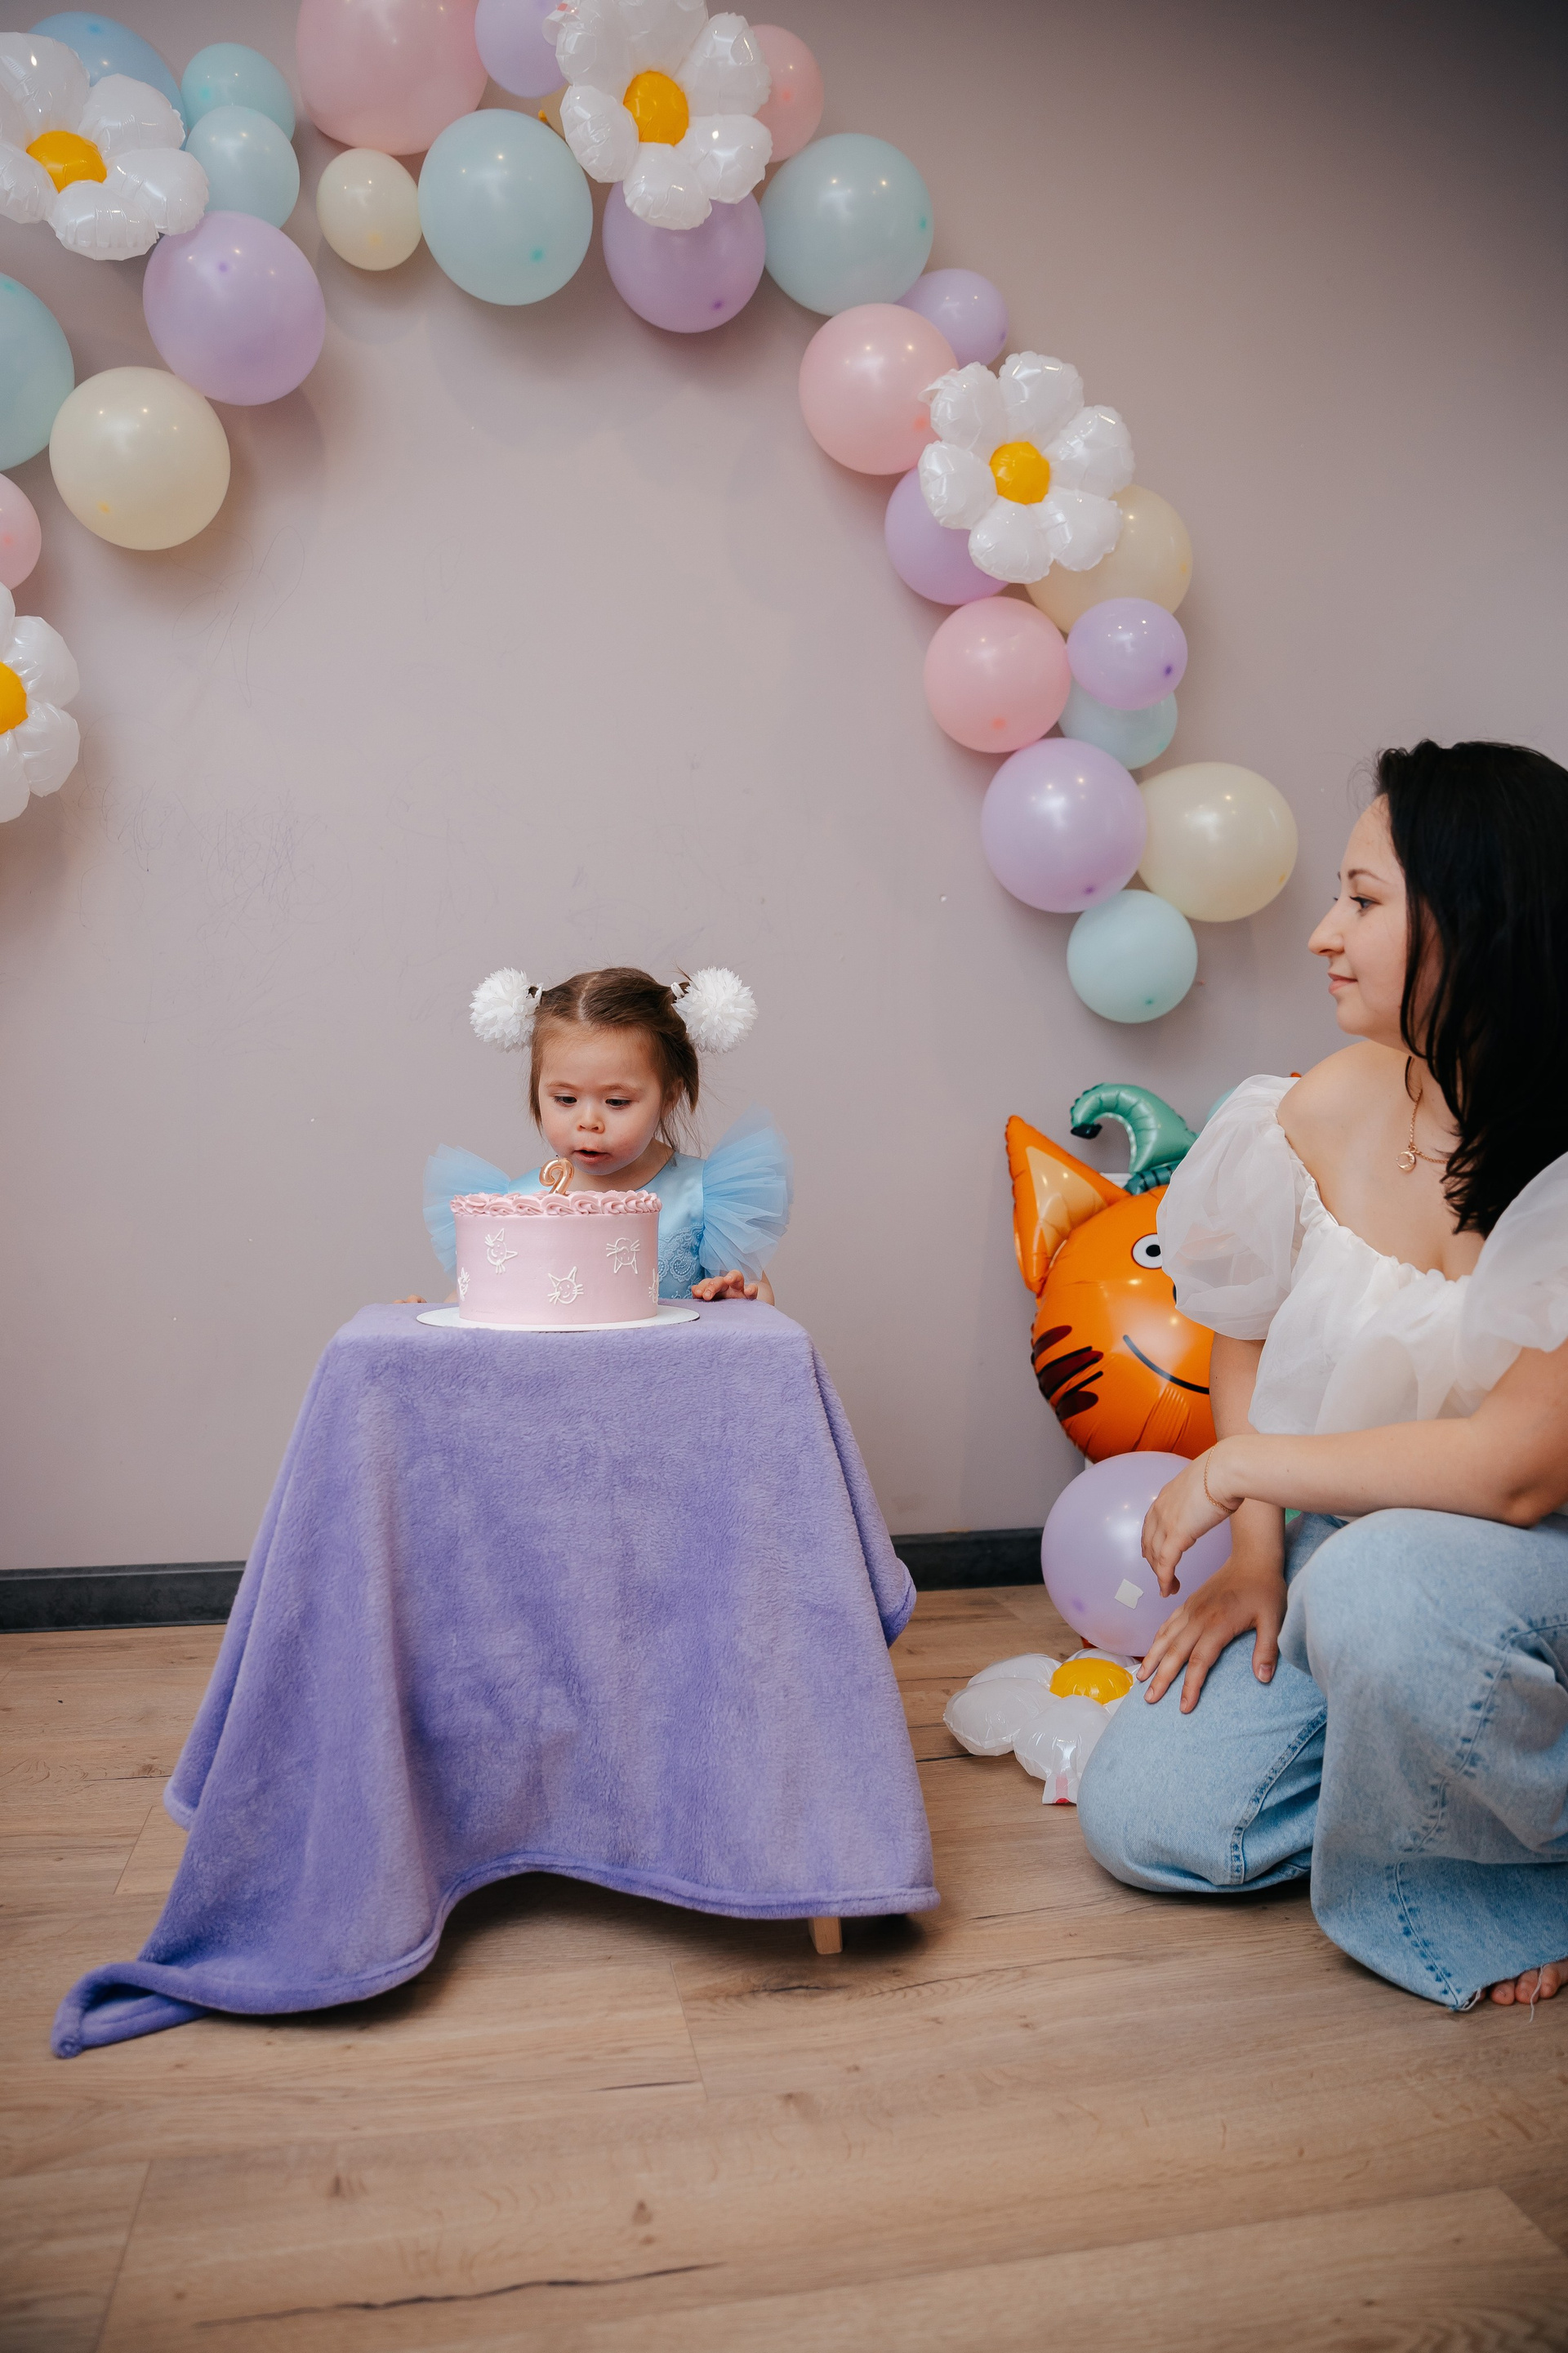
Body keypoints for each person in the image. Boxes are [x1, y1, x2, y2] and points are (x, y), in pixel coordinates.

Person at [1076, 741, 1568, 2012]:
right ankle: (1421, 1754)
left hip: (1524, 1571)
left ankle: (1500, 1872)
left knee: (1378, 1583)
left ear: (1474, 921)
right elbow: (1248, 1332)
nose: (1321, 934)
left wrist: (1244, 1471)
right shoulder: (1319, 1105)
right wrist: (1256, 1553)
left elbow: (1515, 1475)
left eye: (1361, 899)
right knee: (1153, 1818)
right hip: (1348, 1561)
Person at [416, 964, 791, 1306]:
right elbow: (471, 1302)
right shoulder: (516, 1205)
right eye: (566, 1099)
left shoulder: (705, 1198)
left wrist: (736, 1297)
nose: (589, 1122)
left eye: (616, 1102)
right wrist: (424, 1318)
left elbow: (759, 1295)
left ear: (669, 1097)